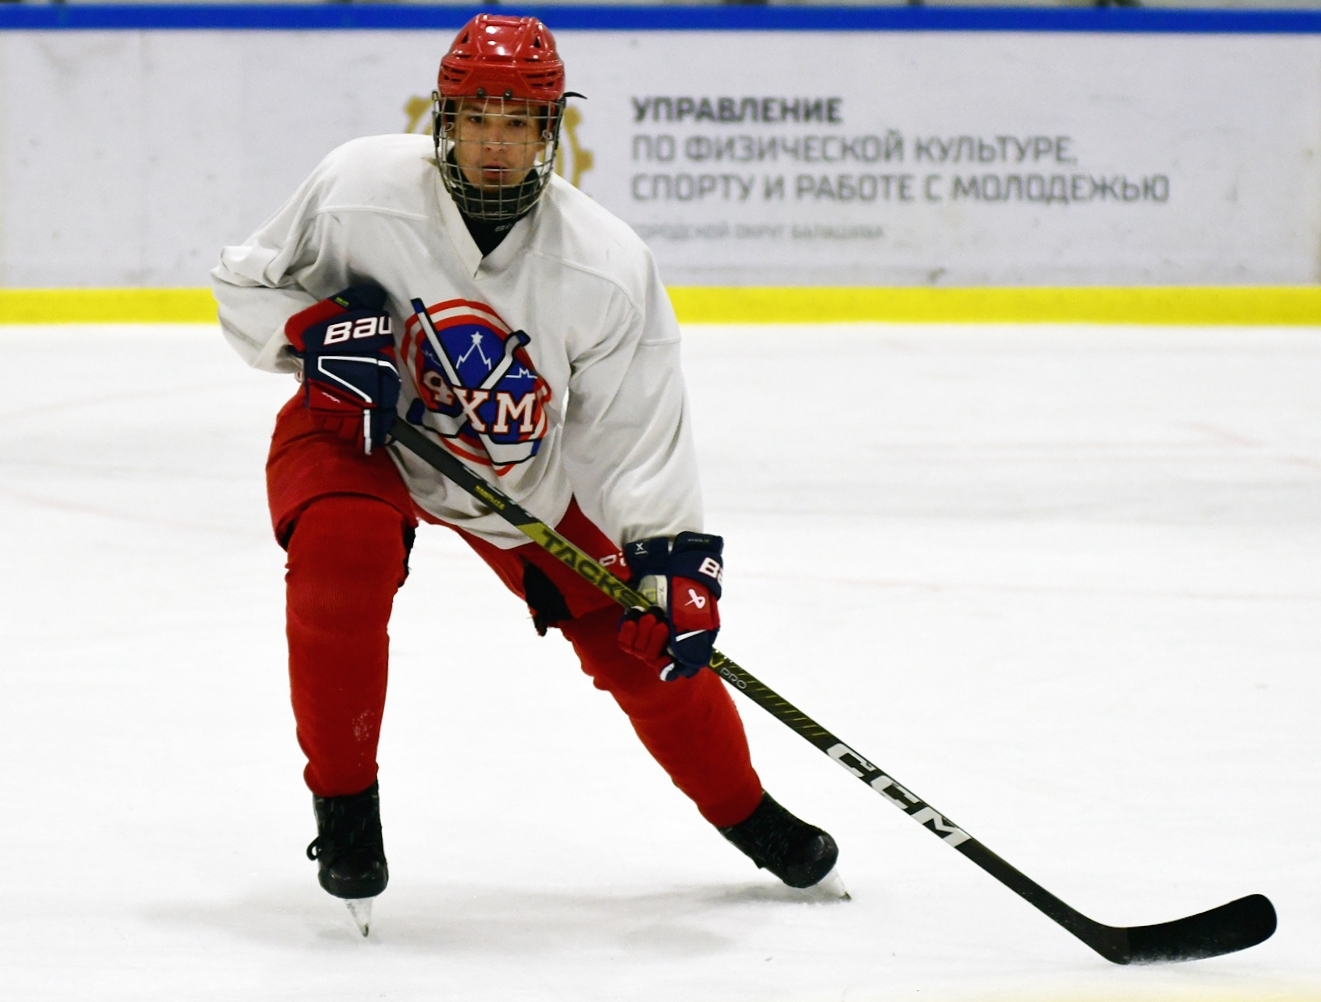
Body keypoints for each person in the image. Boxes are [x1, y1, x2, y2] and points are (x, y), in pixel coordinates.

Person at [211, 13, 839, 928]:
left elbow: (634, 430)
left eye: (518, 122)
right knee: (342, 554)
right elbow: (248, 281)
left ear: (551, 131)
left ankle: (750, 814)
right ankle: (345, 813)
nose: (495, 143)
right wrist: (312, 332)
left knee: (637, 641)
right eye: (475, 118)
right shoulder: (359, 189)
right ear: (442, 120)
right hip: (363, 433)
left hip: (514, 475)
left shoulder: (605, 265)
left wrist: (669, 560)